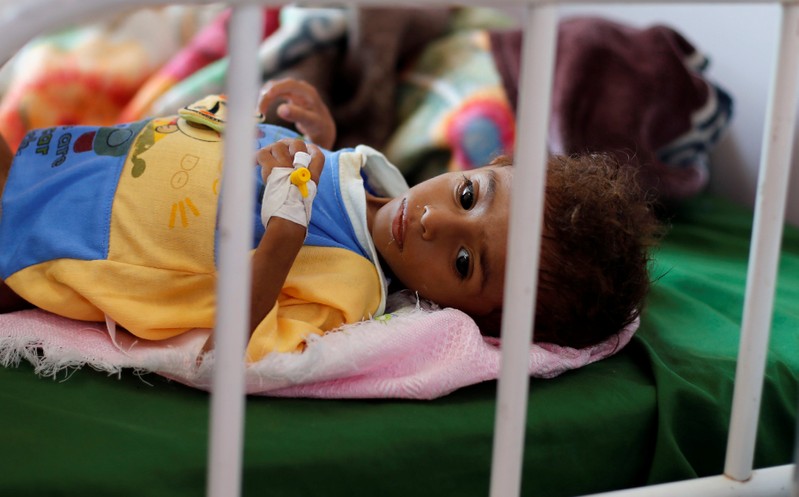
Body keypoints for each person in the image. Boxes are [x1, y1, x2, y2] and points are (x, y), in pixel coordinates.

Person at [0, 78, 658, 362]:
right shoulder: (369, 169)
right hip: (88, 160)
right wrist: (318, 133)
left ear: (468, 315)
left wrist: (284, 234)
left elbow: (232, 346)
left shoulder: (352, 289)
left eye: (464, 263)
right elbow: (314, 169)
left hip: (71, 242)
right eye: (466, 196)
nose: (434, 224)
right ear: (489, 162)